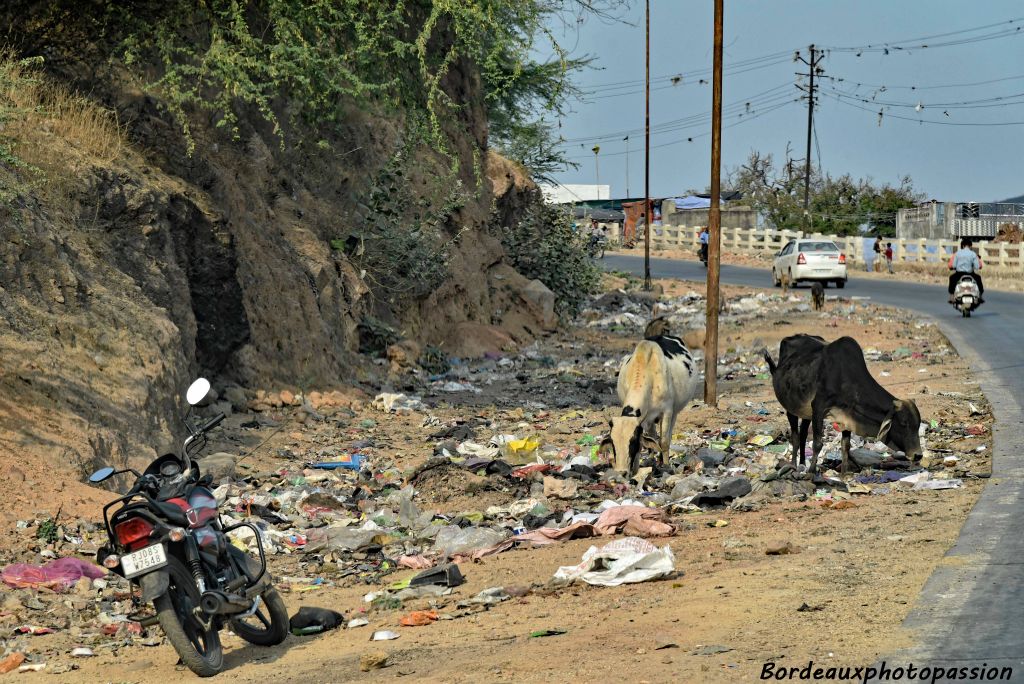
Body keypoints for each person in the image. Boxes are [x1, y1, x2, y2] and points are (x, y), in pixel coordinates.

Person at [948, 238, 984, 303]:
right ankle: (980, 296)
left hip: (959, 274)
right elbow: (977, 266)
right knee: (978, 278)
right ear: (970, 246)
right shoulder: (973, 254)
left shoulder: (957, 253)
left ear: (962, 246)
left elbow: (953, 265)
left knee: (952, 278)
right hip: (970, 274)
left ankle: (952, 296)